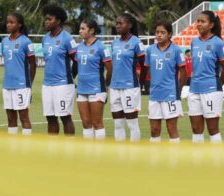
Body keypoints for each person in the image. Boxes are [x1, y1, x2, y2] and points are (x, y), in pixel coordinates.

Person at [188, 11, 224, 143]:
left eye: (202, 21)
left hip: (211, 89)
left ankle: (216, 160)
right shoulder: (194, 42)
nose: (199, 24)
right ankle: (197, 160)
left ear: (211, 24)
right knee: (196, 128)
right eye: (197, 21)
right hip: (194, 89)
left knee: (212, 129)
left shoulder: (218, 42)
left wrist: (217, 85)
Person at [144, 21, 187, 143]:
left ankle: (173, 159)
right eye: (157, 32)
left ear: (169, 34)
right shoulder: (150, 50)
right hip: (154, 95)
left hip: (170, 95)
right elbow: (149, 70)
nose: (159, 35)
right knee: (154, 130)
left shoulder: (176, 50)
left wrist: (178, 89)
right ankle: (155, 158)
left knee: (171, 128)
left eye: (162, 32)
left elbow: (184, 73)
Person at [110, 13, 146, 142]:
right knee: (118, 124)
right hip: (114, 87)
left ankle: (134, 154)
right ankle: (121, 154)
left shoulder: (136, 42)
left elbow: (144, 65)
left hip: (130, 87)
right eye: (117, 23)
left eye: (121, 23)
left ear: (129, 25)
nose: (117, 26)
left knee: (132, 123)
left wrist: (140, 84)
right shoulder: (114, 43)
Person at [42, 4, 76, 135]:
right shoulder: (45, 38)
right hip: (47, 84)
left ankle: (69, 147)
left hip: (63, 85)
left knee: (65, 117)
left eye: (49, 19)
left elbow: (76, 61)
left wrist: (70, 77)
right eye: (46, 19)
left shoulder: (67, 38)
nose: (46, 21)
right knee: (50, 118)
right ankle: (53, 148)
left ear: (58, 21)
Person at [75, 19, 112, 140]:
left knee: (97, 123)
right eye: (80, 28)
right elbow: (76, 68)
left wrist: (106, 86)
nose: (80, 31)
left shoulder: (101, 47)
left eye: (83, 29)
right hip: (81, 90)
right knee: (86, 123)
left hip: (96, 89)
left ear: (92, 30)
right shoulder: (79, 47)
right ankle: (88, 153)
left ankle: (99, 153)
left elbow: (110, 69)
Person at [2, 13, 36, 135]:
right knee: (10, 118)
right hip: (7, 85)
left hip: (22, 85)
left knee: (23, 117)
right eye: (7, 22)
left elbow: (33, 64)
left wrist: (29, 84)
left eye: (12, 22)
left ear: (19, 24)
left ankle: (26, 147)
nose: (9, 24)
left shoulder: (26, 41)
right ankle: (13, 146)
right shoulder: (4, 41)